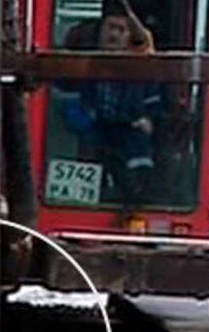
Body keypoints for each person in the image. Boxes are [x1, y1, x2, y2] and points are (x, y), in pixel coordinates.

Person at [57, 12, 165, 207]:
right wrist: (80, 121)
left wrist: (149, 120)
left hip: (128, 131)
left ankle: (136, 197)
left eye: (121, 30)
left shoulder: (144, 71)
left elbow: (154, 104)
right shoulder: (80, 66)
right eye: (110, 27)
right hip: (89, 131)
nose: (114, 35)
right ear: (100, 31)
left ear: (129, 38)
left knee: (138, 151)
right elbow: (62, 96)